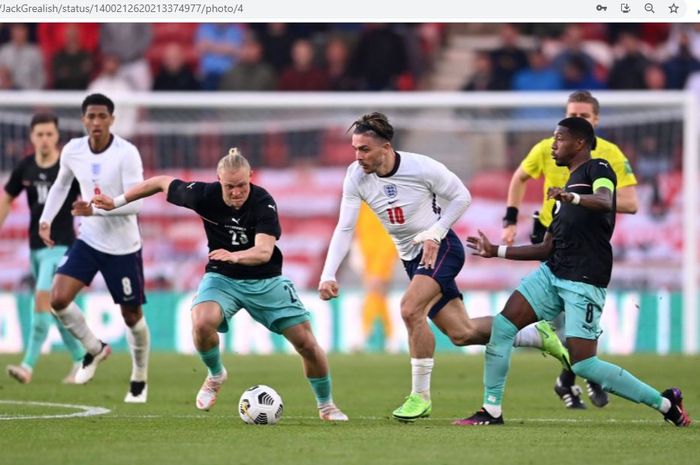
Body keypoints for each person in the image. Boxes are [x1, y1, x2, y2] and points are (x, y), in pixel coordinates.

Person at [318, 112, 569, 422]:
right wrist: (328, 273)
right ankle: (535, 335)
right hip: (413, 259)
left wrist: (435, 232)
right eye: (355, 149)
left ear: (385, 147)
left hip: (443, 248)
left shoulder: (420, 167)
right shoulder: (356, 175)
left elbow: (462, 196)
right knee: (463, 333)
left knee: (410, 309)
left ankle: (420, 398)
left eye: (364, 149)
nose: (358, 157)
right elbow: (345, 227)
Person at [458, 117, 691, 427]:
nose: (553, 145)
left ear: (579, 143)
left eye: (559, 139)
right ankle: (491, 411)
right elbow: (545, 249)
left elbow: (606, 200)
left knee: (584, 365)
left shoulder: (600, 169)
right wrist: (496, 251)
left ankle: (665, 403)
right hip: (553, 273)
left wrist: (573, 198)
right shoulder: (560, 196)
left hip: (584, 279)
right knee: (503, 326)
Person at [91, 148, 348, 421]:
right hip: (223, 278)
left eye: (241, 185)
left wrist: (234, 255)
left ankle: (326, 406)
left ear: (251, 177)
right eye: (229, 187)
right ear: (218, 180)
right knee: (201, 322)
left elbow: (263, 251)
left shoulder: (263, 203)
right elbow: (160, 182)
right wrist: (116, 201)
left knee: (306, 344)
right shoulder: (203, 195)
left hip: (266, 280)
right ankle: (215, 375)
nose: (236, 192)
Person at [502, 90, 639, 410]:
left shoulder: (607, 155)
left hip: (587, 242)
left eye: (583, 116)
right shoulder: (547, 147)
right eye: (571, 114)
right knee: (565, 316)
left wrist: (584, 200)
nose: (576, 121)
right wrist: (510, 220)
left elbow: (631, 202)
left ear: (595, 121)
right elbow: (519, 177)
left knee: (574, 317)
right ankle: (582, 375)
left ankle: (569, 378)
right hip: (552, 238)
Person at [38, 93, 150, 403]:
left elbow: (137, 203)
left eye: (102, 116)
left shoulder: (127, 153)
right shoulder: (73, 150)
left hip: (124, 246)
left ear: (112, 120)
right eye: (91, 116)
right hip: (88, 239)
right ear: (84, 119)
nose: (96, 122)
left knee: (131, 316)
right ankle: (95, 348)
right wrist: (46, 219)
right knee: (58, 299)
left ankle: (139, 376)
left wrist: (96, 210)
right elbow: (61, 184)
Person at [1, 113, 84, 384]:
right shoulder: (25, 167)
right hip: (36, 247)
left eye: (50, 134)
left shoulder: (68, 167)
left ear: (57, 136)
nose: (45, 139)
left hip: (62, 247)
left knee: (42, 299)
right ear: (32, 137)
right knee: (57, 309)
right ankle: (83, 358)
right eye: (40, 134)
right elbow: (7, 197)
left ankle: (27, 366)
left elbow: (90, 197)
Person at [355, 202, 396, 350]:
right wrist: (357, 249)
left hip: (382, 252)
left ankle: (364, 334)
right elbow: (360, 226)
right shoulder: (362, 199)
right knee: (378, 295)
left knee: (374, 290)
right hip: (367, 252)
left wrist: (386, 258)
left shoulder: (386, 195)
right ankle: (391, 337)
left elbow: (391, 229)